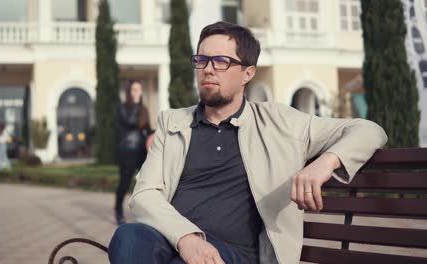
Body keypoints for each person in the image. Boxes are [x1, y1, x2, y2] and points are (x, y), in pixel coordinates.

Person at [108, 22, 387, 264]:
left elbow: (368, 130)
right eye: (201, 60)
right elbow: (144, 195)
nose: (207, 70)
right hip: (174, 239)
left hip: (234, 254)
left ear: (248, 74)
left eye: (220, 61)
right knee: (129, 236)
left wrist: (326, 162)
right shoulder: (174, 123)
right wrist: (187, 237)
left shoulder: (281, 122)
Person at [116, 80, 151, 225]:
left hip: (142, 150)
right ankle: (118, 211)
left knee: (147, 182)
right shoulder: (122, 108)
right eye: (134, 90)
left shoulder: (143, 109)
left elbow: (147, 129)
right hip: (127, 150)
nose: (137, 93)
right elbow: (130, 123)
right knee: (125, 182)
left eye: (139, 90)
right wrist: (136, 104)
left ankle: (146, 213)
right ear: (130, 93)